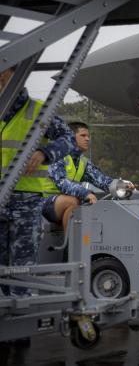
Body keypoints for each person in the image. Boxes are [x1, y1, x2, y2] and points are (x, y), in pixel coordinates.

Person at [0, 67, 76, 278]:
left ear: (16, 76)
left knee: (21, 272)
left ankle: (20, 307)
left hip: (25, 203)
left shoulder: (39, 112)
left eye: (5, 73)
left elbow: (69, 139)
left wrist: (45, 152)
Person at [41, 122, 131, 231]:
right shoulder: (57, 155)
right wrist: (85, 193)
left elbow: (102, 180)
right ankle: (71, 246)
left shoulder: (83, 161)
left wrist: (122, 186)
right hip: (43, 201)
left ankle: (81, 243)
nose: (87, 139)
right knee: (72, 201)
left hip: (64, 200)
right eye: (83, 136)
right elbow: (62, 182)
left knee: (80, 203)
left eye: (88, 136)